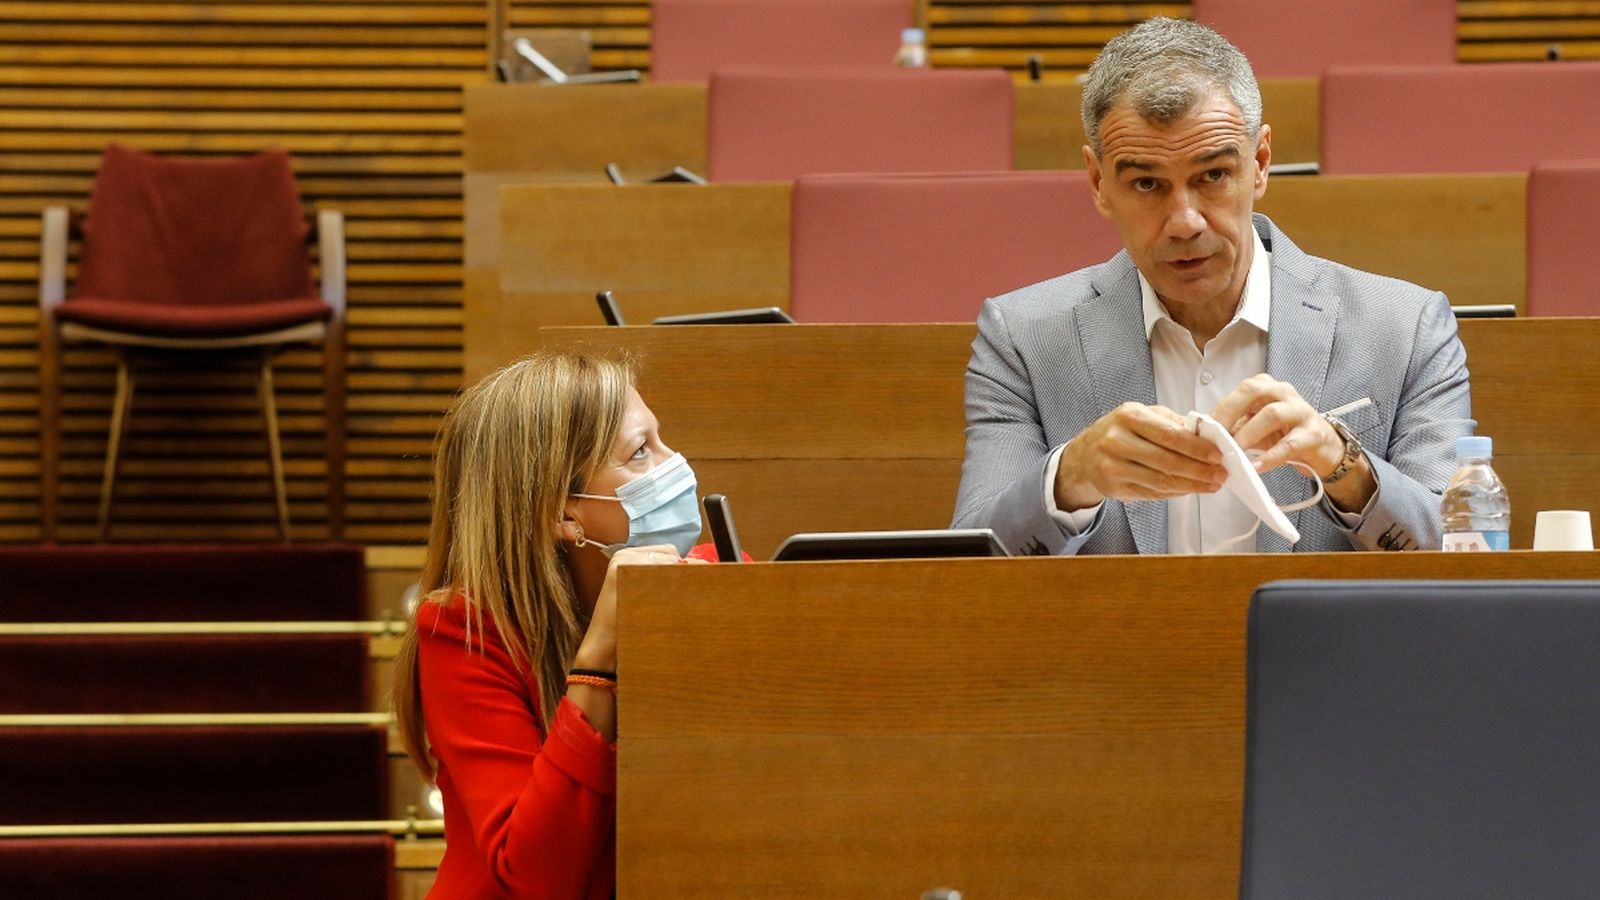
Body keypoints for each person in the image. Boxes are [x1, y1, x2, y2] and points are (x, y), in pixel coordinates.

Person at [952, 16, 1471, 556]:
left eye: (1213, 176)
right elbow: (971, 561)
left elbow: (1459, 554)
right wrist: (1068, 479)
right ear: (1098, 183)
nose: (1185, 222)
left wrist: (1345, 466)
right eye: (1147, 183)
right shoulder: (1022, 339)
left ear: (1261, 163)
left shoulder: (1406, 328)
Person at [393, 352, 709, 899]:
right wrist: (600, 655)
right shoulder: (463, 630)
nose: (675, 463)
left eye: (662, 439)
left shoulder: (711, 581)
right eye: (640, 453)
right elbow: (538, 877)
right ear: (561, 512)